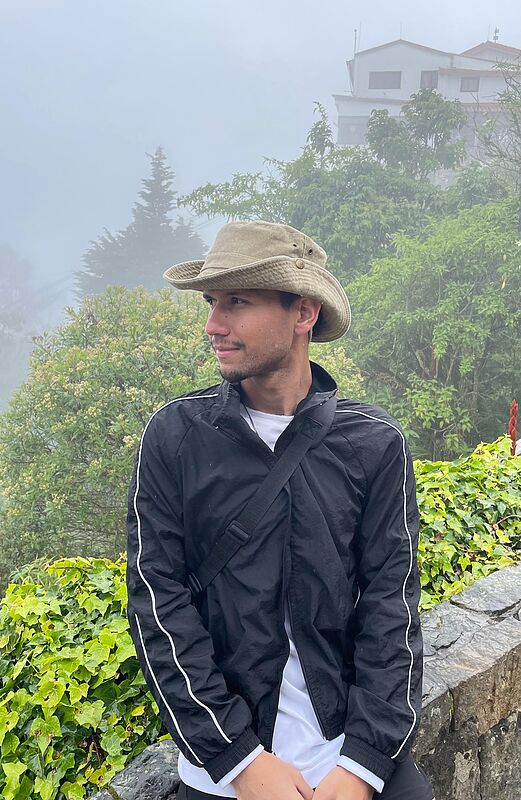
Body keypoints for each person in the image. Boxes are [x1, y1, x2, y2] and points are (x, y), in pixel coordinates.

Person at [126, 221, 433, 800]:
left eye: (237, 302)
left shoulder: (374, 444)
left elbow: (391, 607)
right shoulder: (175, 436)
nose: (214, 325)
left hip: (351, 756)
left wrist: (364, 765)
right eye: (212, 302)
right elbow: (157, 603)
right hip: (224, 772)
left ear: (304, 313)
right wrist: (239, 761)